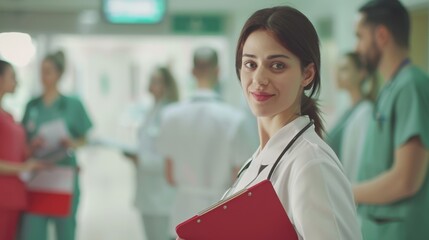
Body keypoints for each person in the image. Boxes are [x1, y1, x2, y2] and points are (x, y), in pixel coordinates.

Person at [218, 6, 362, 239]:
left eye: (277, 66)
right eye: (250, 64)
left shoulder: (311, 164)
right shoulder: (257, 159)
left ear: (307, 74)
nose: (259, 79)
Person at [353, 0, 429, 239]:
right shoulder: (390, 89)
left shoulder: (411, 85)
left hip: (400, 231)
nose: (357, 48)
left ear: (381, 35)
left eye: (360, 37)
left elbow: (406, 180)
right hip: (378, 228)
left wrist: (344, 191)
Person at [157, 46, 250, 239]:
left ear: (192, 71)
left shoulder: (170, 116)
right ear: (218, 72)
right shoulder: (234, 119)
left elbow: (169, 176)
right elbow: (239, 178)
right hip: (220, 214)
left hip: (183, 214)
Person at [19, 51, 93, 240]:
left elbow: (85, 138)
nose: (44, 76)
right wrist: (33, 145)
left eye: (49, 71)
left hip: (63, 177)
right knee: (32, 232)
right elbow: (23, 141)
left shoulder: (72, 104)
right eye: (41, 71)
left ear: (59, 74)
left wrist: (72, 143)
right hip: (37, 177)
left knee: (65, 232)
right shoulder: (32, 105)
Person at [125, 66, 179, 240]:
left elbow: (171, 159)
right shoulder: (151, 111)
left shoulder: (170, 114)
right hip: (147, 192)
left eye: (156, 81)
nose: (151, 84)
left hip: (163, 196)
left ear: (167, 85)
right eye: (151, 80)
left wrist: (141, 160)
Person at [0, 60, 47, 240]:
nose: (16, 82)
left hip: (13, 196)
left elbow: (12, 153)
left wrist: (31, 148)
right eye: (12, 77)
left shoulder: (8, 115)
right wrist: (24, 168)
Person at [325, 52, 376, 182]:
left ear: (361, 73)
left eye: (344, 69)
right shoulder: (346, 111)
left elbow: (359, 162)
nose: (337, 75)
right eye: (337, 69)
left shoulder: (366, 112)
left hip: (352, 193)